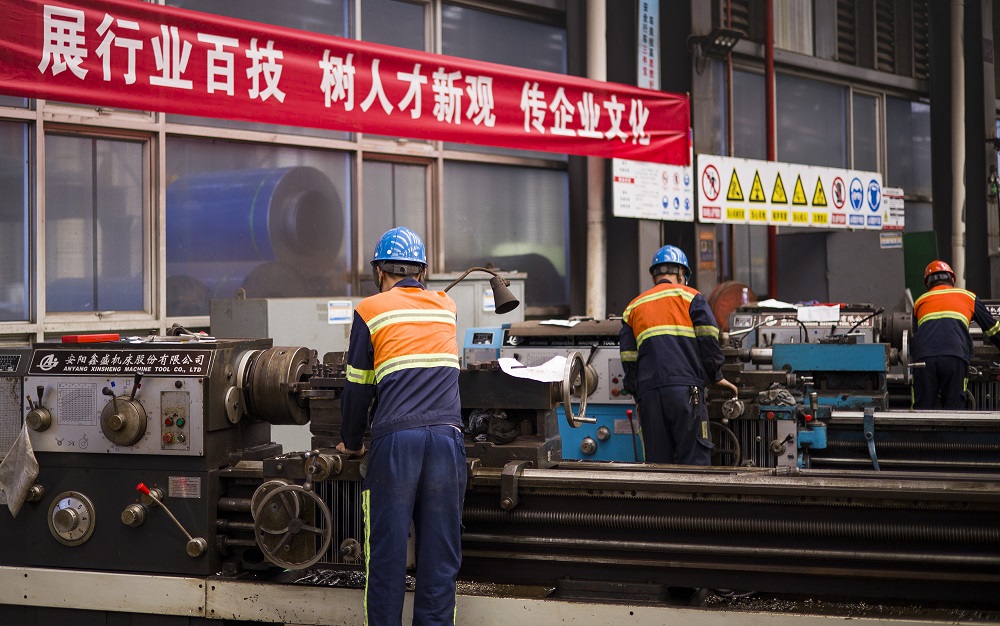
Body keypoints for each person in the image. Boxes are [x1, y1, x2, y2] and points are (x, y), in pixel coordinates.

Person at [336, 226, 466, 626]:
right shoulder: (447, 306)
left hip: (396, 442)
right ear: (422, 271)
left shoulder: (370, 309)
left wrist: (351, 442)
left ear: (379, 271)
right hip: (448, 438)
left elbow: (358, 386)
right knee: (440, 559)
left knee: (388, 557)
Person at [619, 244, 739, 465]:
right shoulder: (691, 297)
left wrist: (638, 394)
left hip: (650, 395)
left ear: (654, 275)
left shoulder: (633, 307)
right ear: (682, 273)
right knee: (694, 460)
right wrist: (716, 375)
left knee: (658, 464)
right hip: (686, 392)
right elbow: (708, 337)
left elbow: (628, 357)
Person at [912, 260, 1000, 409]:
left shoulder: (920, 301)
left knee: (922, 409)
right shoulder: (968, 296)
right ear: (952, 279)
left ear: (927, 283)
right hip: (954, 356)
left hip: (923, 359)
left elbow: (916, 336)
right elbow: (993, 328)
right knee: (954, 409)